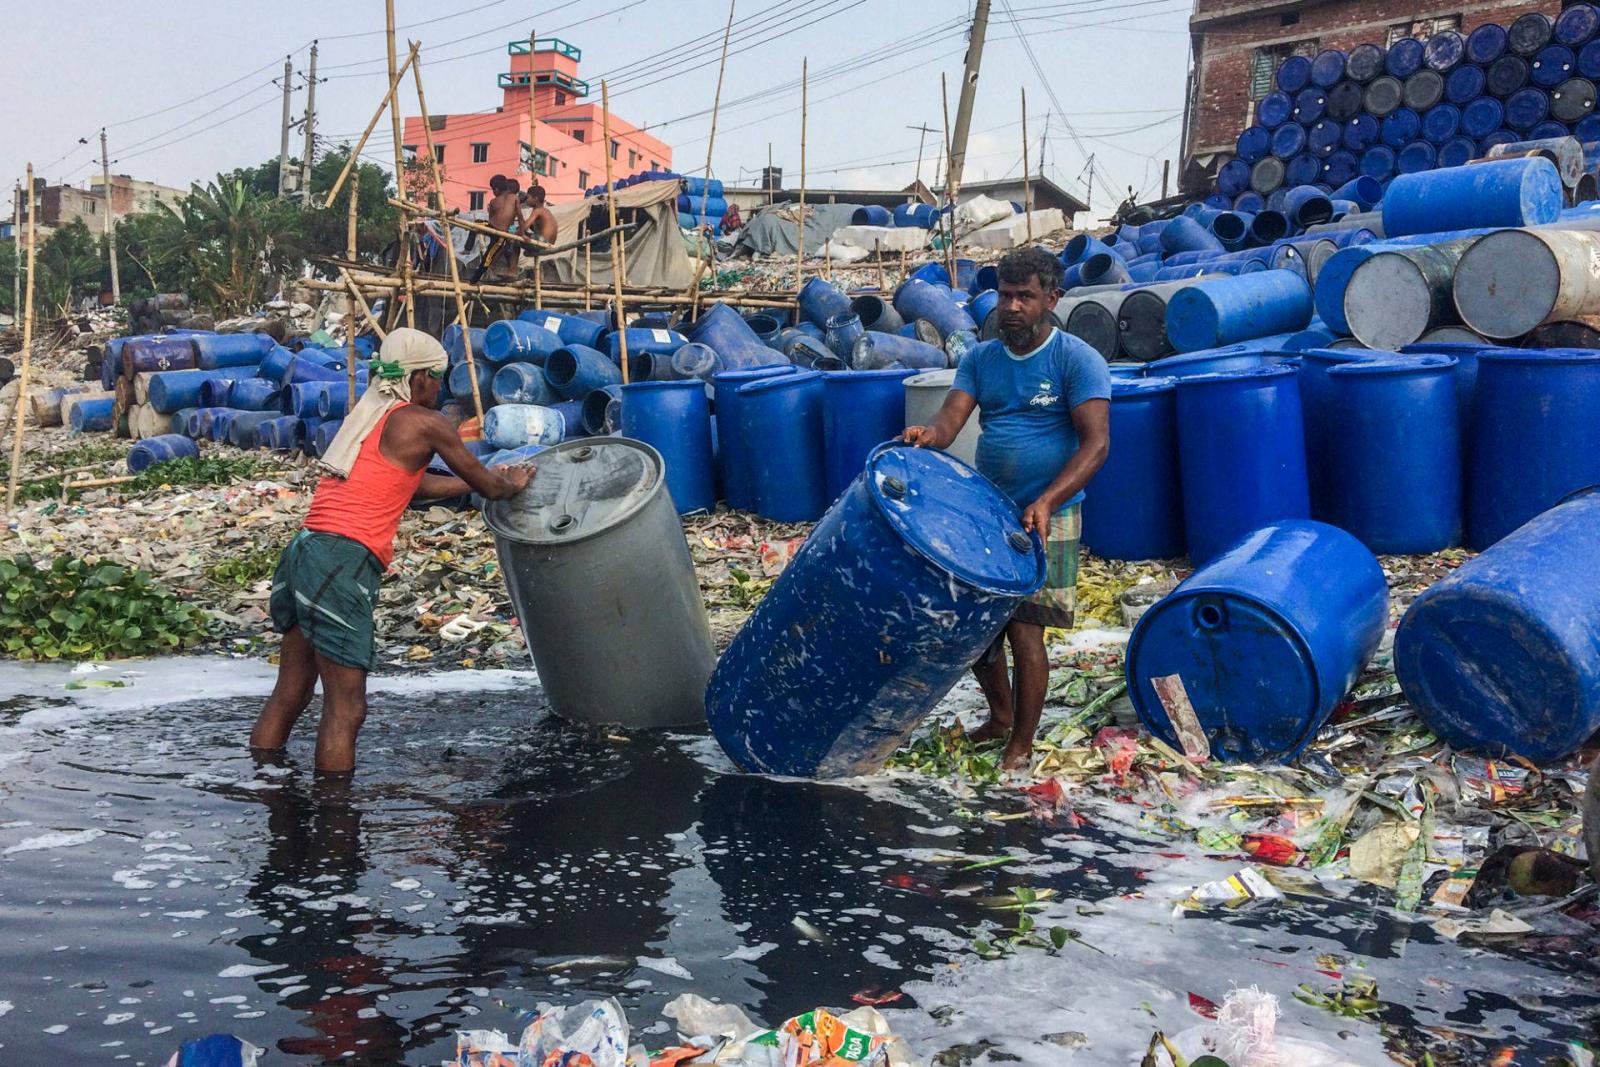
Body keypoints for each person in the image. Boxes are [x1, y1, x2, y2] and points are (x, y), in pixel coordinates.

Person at [249, 329, 534, 773]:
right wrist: (510, 481)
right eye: (437, 378)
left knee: (292, 691)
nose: (439, 388)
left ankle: (265, 791)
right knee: (347, 709)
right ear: (419, 378)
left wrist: (468, 483)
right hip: (340, 562)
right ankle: (336, 822)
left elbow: (408, 484)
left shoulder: (370, 417)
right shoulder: (424, 422)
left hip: (304, 553)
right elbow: (494, 487)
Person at [903, 246, 1111, 770]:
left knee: (1025, 630)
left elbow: (1096, 445)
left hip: (1051, 513)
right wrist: (927, 435)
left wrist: (1047, 500)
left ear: (1052, 299)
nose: (1012, 307)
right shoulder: (981, 358)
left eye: (1025, 297)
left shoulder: (1076, 360)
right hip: (991, 510)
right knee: (977, 625)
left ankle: (1021, 744)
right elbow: (950, 423)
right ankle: (999, 716)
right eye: (1005, 296)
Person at [486, 175, 523, 278]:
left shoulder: (506, 200)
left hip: (508, 230)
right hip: (510, 229)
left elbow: (492, 218)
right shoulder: (514, 199)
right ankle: (508, 268)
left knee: (502, 246)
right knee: (505, 246)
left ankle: (493, 265)